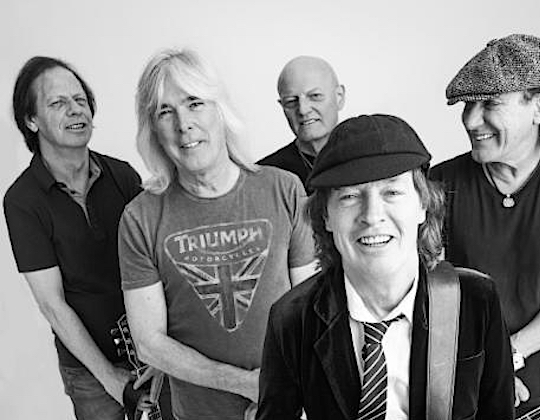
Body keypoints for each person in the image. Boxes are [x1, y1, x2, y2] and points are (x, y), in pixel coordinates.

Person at [257, 114, 515, 420]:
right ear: (325, 216)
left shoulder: (475, 300)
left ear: (423, 204)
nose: (372, 215)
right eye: (349, 196)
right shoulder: (292, 318)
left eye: (391, 193)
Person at [118, 48, 318, 420]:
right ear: (153, 130)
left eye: (195, 103)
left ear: (220, 110)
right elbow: (149, 343)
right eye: (165, 111)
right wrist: (244, 383)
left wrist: (281, 389)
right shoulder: (139, 218)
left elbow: (311, 308)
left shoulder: (284, 190)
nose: (184, 124)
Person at [430, 34, 540, 416]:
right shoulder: (440, 183)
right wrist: (485, 368)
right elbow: (430, 297)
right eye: (468, 105)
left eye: (489, 103)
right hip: (460, 388)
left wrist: (509, 354)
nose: (471, 120)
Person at [3, 56, 146, 419]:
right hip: (89, 372)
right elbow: (52, 304)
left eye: (80, 99)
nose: (75, 110)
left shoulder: (123, 176)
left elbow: (155, 265)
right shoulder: (22, 201)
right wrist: (110, 378)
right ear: (31, 120)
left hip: (152, 353)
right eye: (58, 102)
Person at [257, 56, 345, 186]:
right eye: (291, 101)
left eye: (315, 96)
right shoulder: (265, 176)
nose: (303, 110)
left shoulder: (368, 157)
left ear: (339, 97)